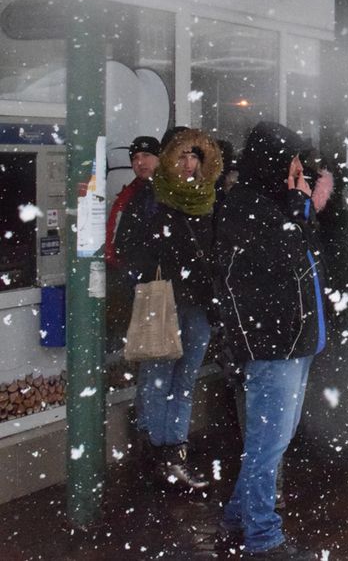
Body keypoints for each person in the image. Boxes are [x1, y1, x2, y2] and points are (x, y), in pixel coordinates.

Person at [214, 122, 328, 559]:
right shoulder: (245, 207)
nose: (299, 169)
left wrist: (300, 209)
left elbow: (308, 253)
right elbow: (282, 259)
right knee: (267, 445)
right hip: (273, 343)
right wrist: (298, 209)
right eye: (292, 160)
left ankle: (235, 520)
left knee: (274, 440)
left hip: (295, 341)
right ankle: (262, 537)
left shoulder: (274, 205)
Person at [135, 127, 222, 488]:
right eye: (182, 156)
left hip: (198, 303)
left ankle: (176, 453)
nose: (188, 164)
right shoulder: (153, 198)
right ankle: (159, 453)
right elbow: (134, 249)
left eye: (194, 156)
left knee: (184, 379)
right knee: (160, 379)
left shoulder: (210, 198)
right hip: (166, 299)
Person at [106, 136, 160, 343]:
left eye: (146, 155)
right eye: (135, 158)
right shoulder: (131, 192)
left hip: (154, 280)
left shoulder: (165, 192)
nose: (140, 162)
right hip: (132, 277)